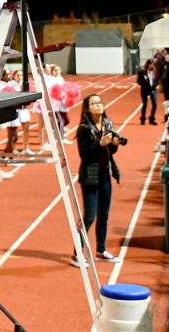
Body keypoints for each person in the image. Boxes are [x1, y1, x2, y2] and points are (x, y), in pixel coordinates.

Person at [72, 94, 122, 265]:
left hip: (105, 174)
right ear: (87, 108)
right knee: (89, 216)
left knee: (104, 215)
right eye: (94, 103)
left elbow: (110, 152)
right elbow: (84, 155)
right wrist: (100, 143)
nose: (99, 105)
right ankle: (77, 253)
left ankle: (101, 250)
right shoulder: (84, 129)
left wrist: (113, 144)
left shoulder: (108, 124)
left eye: (100, 102)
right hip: (90, 175)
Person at [137, 59, 158, 125]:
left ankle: (151, 119)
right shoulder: (142, 72)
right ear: (147, 64)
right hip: (145, 90)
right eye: (150, 64)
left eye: (152, 64)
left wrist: (155, 86)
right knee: (145, 104)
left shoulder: (154, 72)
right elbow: (139, 81)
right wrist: (145, 86)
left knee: (155, 104)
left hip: (153, 89)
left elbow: (156, 80)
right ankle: (143, 119)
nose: (151, 66)